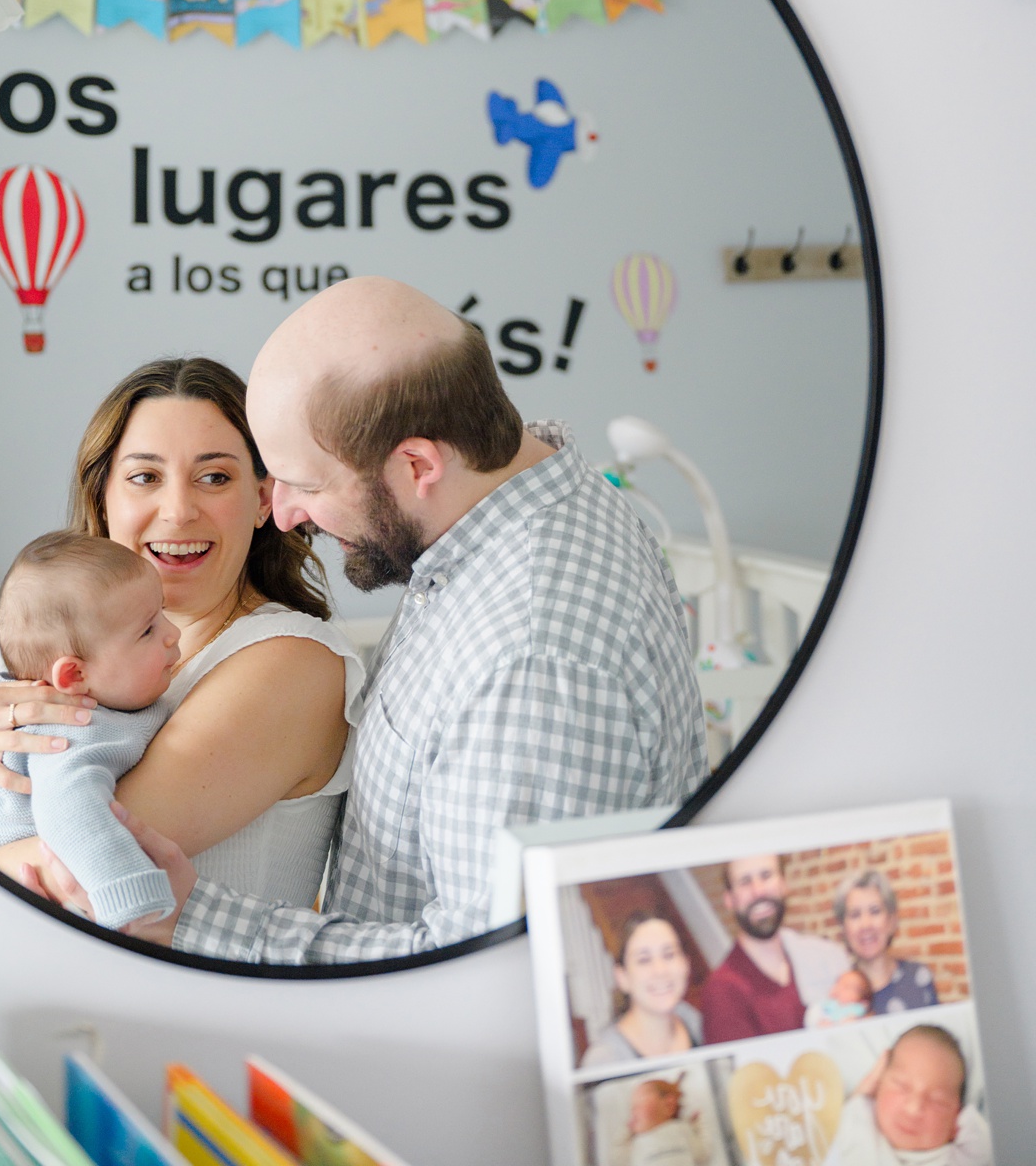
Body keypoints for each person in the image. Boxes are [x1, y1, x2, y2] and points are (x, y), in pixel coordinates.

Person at [95, 278, 706, 962]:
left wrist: (199, 921)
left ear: (418, 464)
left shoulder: (530, 657)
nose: (287, 514)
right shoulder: (507, 519)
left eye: (306, 483)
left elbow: (480, 969)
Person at [0, 358, 360, 907]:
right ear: (103, 496)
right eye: (145, 477)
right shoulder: (96, 669)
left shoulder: (290, 663)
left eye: (214, 477)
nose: (178, 511)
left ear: (263, 499)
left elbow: (81, 863)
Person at [0, 534, 186, 929]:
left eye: (161, 612)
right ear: (74, 675)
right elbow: (68, 810)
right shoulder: (74, 728)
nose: (172, 632)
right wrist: (131, 895)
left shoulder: (105, 700)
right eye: (147, 631)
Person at [692, 853, 849, 1042]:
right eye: (745, 881)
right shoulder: (722, 992)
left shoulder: (825, 959)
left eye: (766, 876)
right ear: (730, 901)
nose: (758, 891)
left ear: (784, 885)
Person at [833, 1026, 991, 1166]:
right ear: (879, 1083)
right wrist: (862, 1093)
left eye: (938, 1101)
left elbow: (989, 1144)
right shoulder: (858, 1121)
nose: (914, 1107)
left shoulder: (963, 1158)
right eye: (901, 1086)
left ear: (955, 1121)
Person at [581, 912, 705, 1067]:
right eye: (644, 960)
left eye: (669, 954)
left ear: (686, 964)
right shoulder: (604, 1061)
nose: (660, 970)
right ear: (622, 977)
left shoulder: (699, 1026)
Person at [838, 868, 942, 1016]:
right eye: (855, 915)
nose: (865, 925)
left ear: (892, 921)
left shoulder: (919, 978)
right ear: (844, 928)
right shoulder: (839, 989)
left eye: (875, 911)